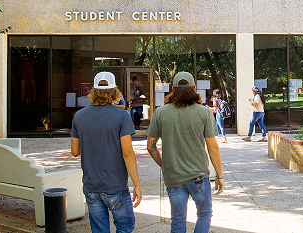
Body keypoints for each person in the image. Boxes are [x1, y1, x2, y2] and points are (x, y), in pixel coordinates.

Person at [146, 72, 225, 233]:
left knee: (177, 221)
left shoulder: (160, 113)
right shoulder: (204, 113)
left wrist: (165, 164)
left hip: (173, 177)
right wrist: (220, 175)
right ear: (194, 88)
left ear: (173, 89)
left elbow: (150, 146)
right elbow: (213, 147)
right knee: (204, 215)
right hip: (198, 176)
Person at [70, 72, 142, 233]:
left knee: (99, 230)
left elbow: (75, 151)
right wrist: (136, 184)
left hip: (91, 185)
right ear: (114, 91)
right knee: (125, 227)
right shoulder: (122, 116)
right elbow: (128, 153)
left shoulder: (79, 116)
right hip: (115, 185)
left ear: (93, 91)